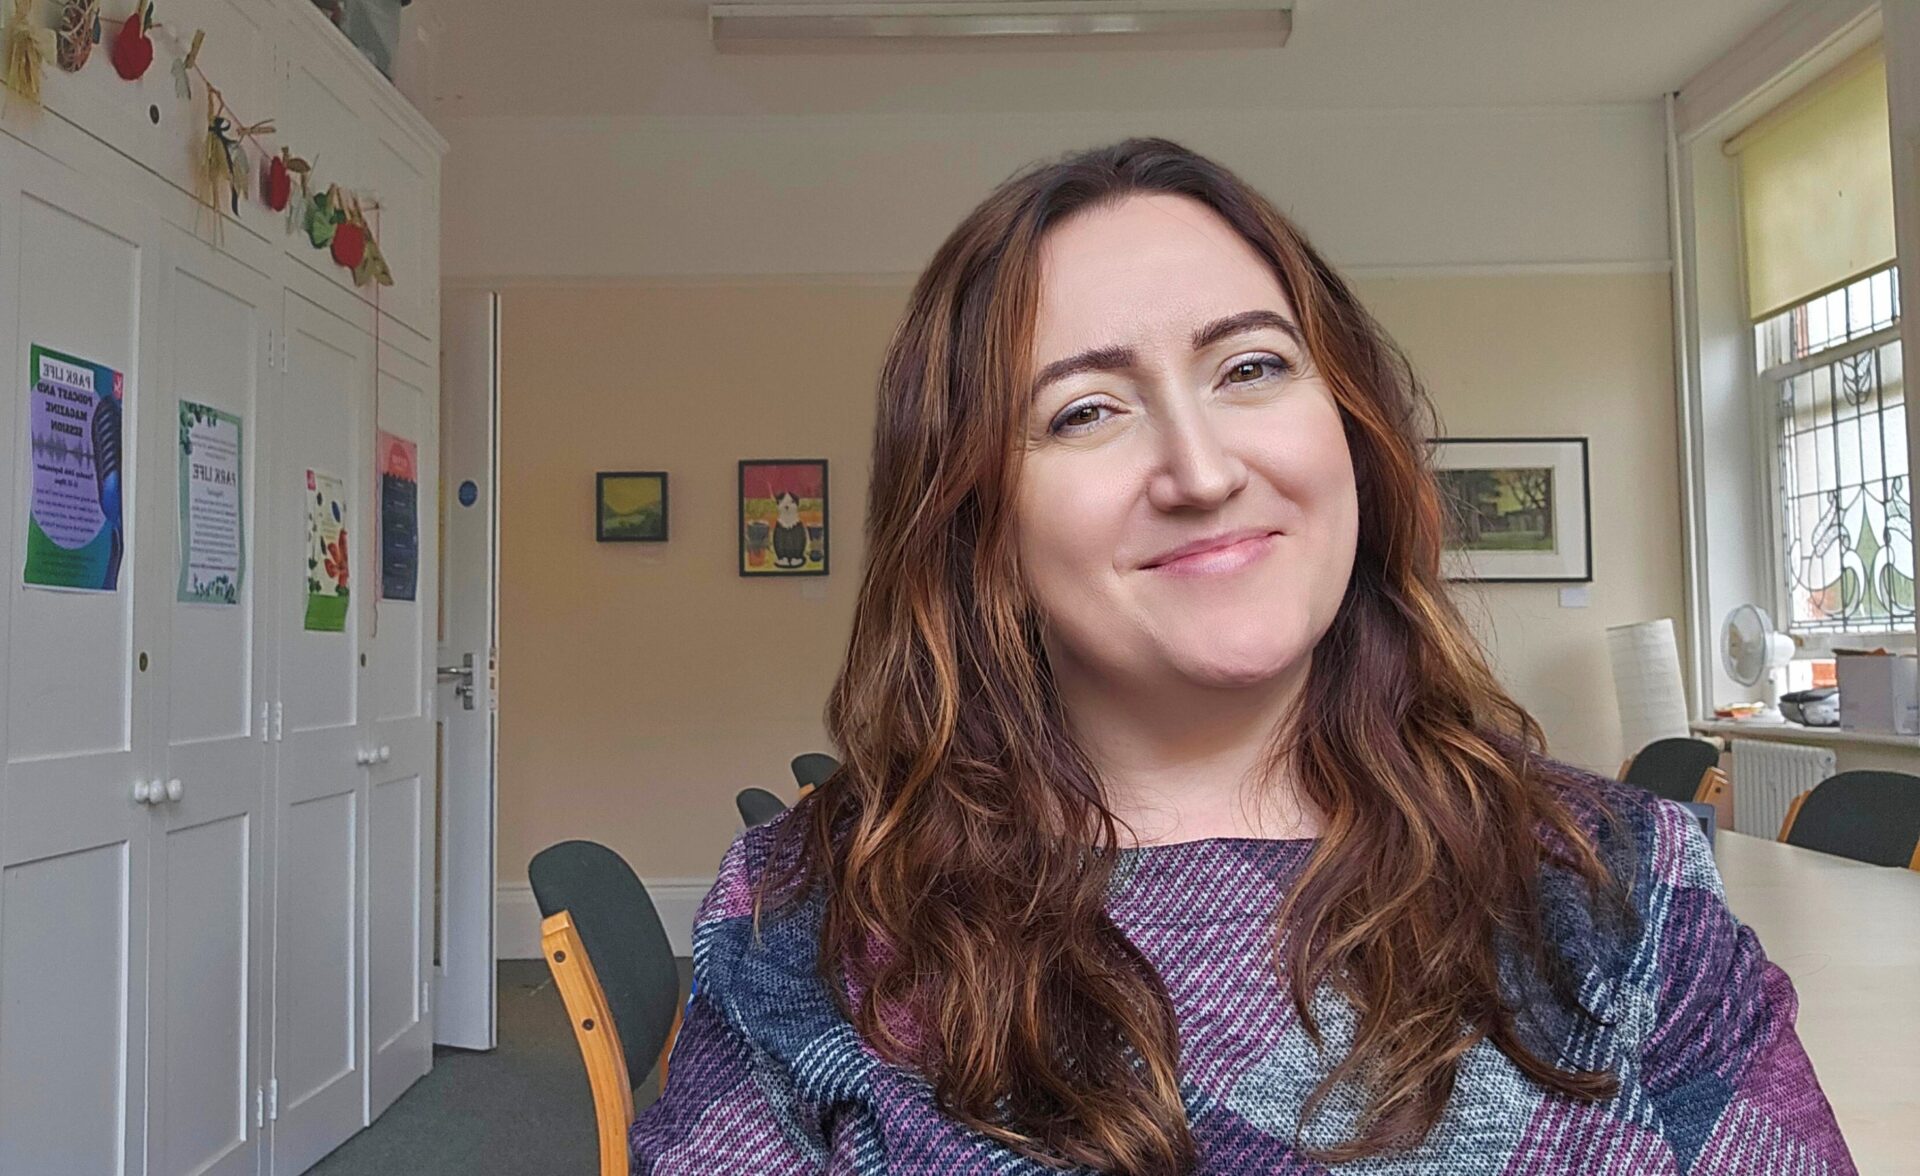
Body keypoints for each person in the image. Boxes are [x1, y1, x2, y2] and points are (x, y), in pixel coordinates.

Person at [629, 139, 1856, 1174]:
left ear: (1351, 429)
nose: (1204, 470)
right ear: (978, 521)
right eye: (1085, 410)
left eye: (1252, 366)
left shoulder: (1624, 887)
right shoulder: (814, 914)